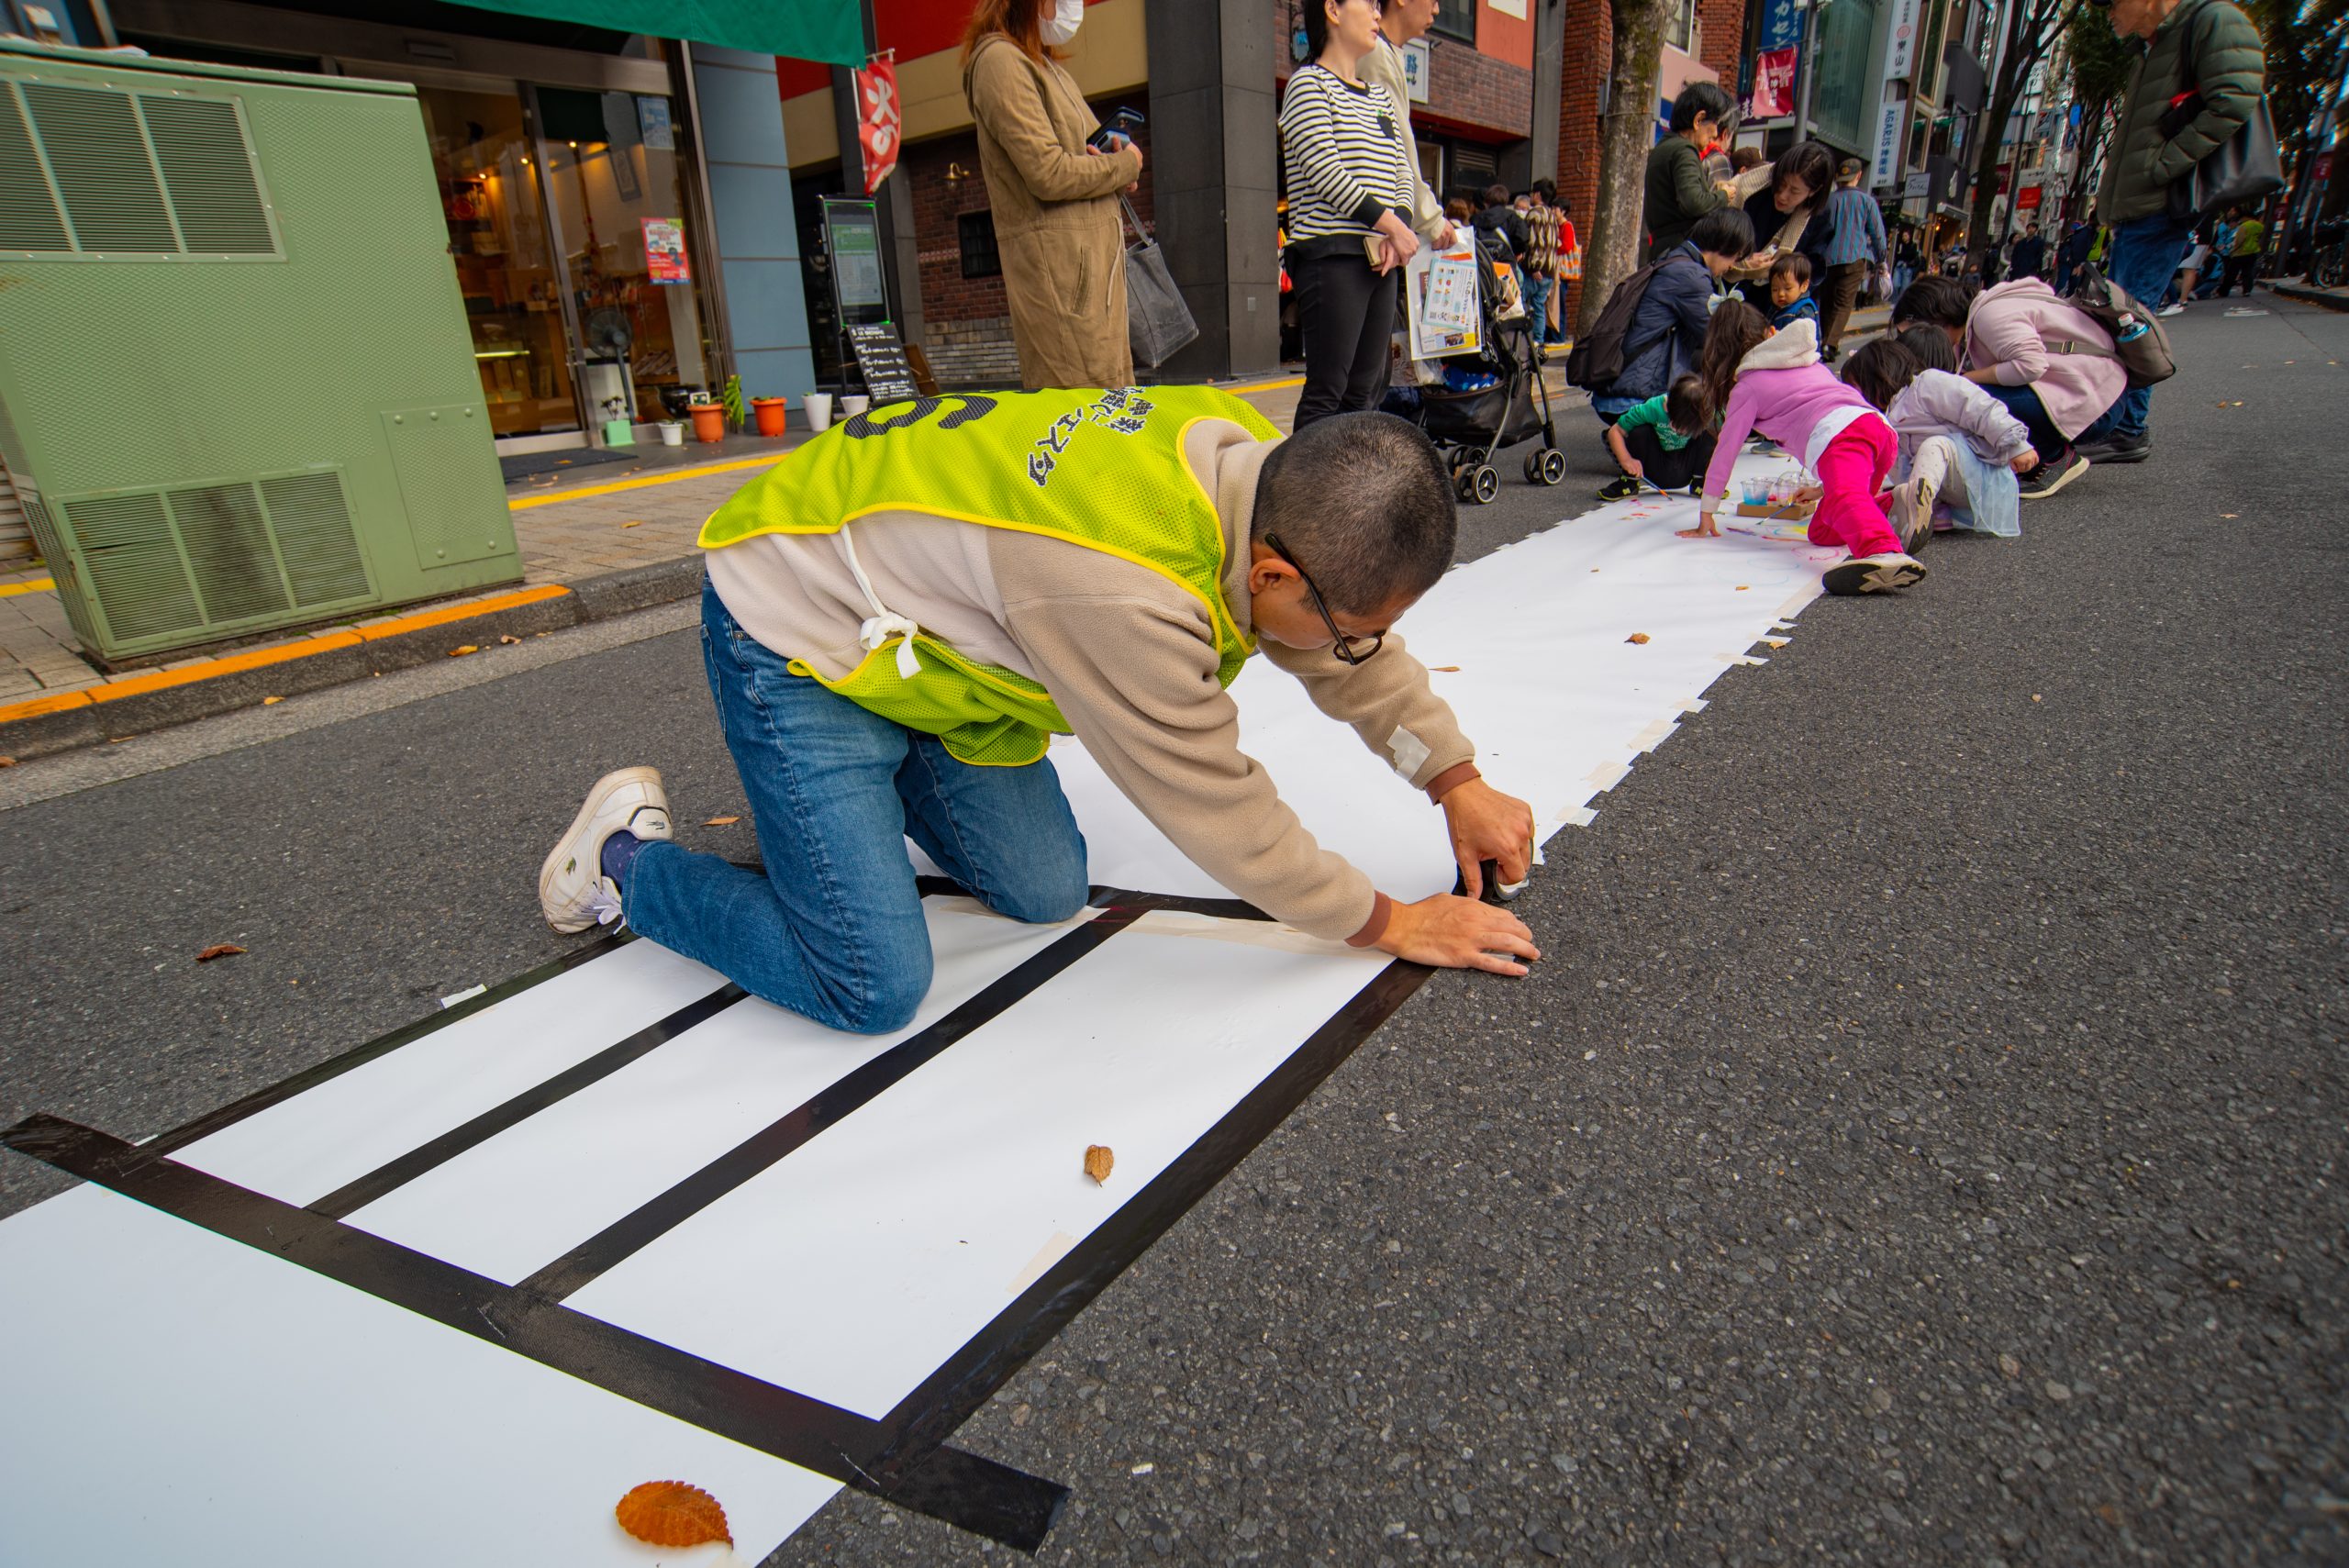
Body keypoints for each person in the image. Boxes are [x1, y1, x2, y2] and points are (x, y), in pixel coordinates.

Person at [538, 398, 1545, 1031]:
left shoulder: (1243, 464)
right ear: (1274, 573)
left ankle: (867, 782)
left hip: (927, 646)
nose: (1355, 650)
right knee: (868, 985)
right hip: (797, 630)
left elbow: (1340, 651)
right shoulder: (1122, 590)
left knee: (1043, 888)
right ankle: (625, 864)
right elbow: (1219, 807)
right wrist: (1390, 920)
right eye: (1353, 630)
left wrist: (1453, 777)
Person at [2085, 0, 2266, 463]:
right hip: (2141, 205)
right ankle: (2121, 423)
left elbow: (2235, 97)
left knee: (2130, 316)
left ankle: (2126, 427)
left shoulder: (2209, 20)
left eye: (2110, 3)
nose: (2107, 13)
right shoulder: (2154, 46)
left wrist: (2163, 167)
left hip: (2160, 203)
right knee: (2125, 312)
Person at [961, 0, 1145, 391]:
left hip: (1090, 280)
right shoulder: (1000, 62)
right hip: (1064, 281)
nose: (1070, 7)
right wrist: (1123, 166)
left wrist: (1116, 160)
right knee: (1078, 408)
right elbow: (1048, 173)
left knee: (1110, 407)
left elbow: (1088, 153)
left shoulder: (1042, 65)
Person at [1680, 306, 1927, 595]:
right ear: (1771, 333)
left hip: (1841, 436)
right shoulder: (1807, 361)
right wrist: (1822, 489)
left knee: (1846, 499)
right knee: (1822, 531)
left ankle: (1883, 551)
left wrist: (1707, 511)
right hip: (1877, 429)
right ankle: (1895, 503)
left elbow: (1726, 450)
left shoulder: (1747, 387)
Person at [1278, 0, 1422, 428]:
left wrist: (1398, 228)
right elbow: (1325, 170)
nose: (1378, 14)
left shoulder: (1379, 96)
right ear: (1333, 10)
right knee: (1328, 391)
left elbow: (1403, 171)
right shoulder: (1308, 85)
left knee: (1363, 394)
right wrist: (1393, 227)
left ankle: (1349, 475)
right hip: (1332, 255)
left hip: (1380, 259)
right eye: (1369, 3)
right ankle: (1301, 475)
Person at [1892, 273, 2125, 499]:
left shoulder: (1989, 315)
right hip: (2097, 391)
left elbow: (2031, 366)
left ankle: (2053, 457)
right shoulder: (1984, 310)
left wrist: (1970, 378)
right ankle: (2031, 454)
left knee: (1967, 399)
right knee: (1962, 397)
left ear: (1936, 320)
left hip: (2098, 401)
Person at [1848, 334, 2037, 540]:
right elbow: (1869, 461)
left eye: (1857, 388)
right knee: (1892, 454)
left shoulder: (1928, 384)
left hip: (1981, 476)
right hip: (1955, 489)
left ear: (1878, 376)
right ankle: (1933, 514)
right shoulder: (1887, 415)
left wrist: (2016, 445)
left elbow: (1981, 409)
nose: (1856, 397)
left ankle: (1914, 507)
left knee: (1934, 445)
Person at [1590, 206, 1755, 423]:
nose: (1733, 265)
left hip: (1616, 390)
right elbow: (1718, 336)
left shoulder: (1673, 259)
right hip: (1633, 399)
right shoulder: (1691, 276)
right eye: (1736, 256)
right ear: (1726, 243)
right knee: (1724, 368)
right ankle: (1641, 437)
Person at [1357, 0, 1459, 250]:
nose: (1436, 10)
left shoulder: (1383, 51)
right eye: (1433, 0)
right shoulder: (1376, 53)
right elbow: (1398, 148)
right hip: (1364, 238)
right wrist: (1431, 219)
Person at [1728, 140, 1840, 306]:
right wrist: (1744, 262)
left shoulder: (1818, 217)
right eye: (1781, 183)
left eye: (1794, 191)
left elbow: (1810, 271)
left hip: (1776, 302)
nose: (1782, 195)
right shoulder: (1753, 191)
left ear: (1814, 191)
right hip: (1731, 289)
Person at [1643, 82, 1736, 261]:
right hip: (1680, 253)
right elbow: (1694, 202)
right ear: (1698, 120)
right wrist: (1723, 195)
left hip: (1663, 251)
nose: (1715, 133)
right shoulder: (1684, 150)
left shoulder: (1663, 148)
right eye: (1716, 123)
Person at [1597, 375, 1718, 501]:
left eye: (1687, 428)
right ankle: (1629, 482)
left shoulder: (1708, 412)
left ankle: (1700, 482)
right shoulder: (1652, 408)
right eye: (1677, 424)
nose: (1680, 432)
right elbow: (1615, 431)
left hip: (1686, 467)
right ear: (1668, 407)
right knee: (1639, 431)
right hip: (1655, 468)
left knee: (1712, 432)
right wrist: (1626, 459)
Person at [1815, 157, 1888, 360]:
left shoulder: (1829, 200)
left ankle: (1825, 340)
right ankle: (1830, 343)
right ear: (1859, 176)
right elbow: (1877, 234)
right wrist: (1881, 259)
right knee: (1844, 302)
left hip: (1827, 258)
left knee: (1827, 301)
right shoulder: (1866, 201)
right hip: (1854, 257)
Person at [2216, 206, 2266, 294]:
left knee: (2232, 272)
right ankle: (2247, 290)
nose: (2240, 220)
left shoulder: (2244, 226)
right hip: (2253, 252)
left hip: (2240, 253)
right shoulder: (2260, 226)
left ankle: (2224, 290)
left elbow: (2239, 240)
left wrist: (2232, 250)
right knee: (2247, 272)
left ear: (2245, 217)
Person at [1768, 252, 1820, 332]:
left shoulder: (1804, 311)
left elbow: (1803, 337)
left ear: (1804, 285)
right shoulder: (1776, 308)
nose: (1780, 294)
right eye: (1775, 289)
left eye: (1788, 288)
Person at [2056, 218, 2094, 293]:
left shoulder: (2084, 233)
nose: (2074, 225)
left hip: (2073, 261)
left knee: (2072, 285)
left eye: (2077, 223)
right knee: (2062, 284)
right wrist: (2078, 265)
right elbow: (2077, 249)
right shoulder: (2079, 234)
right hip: (2069, 261)